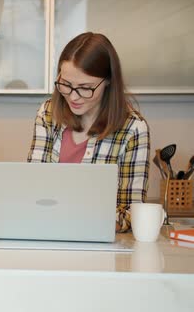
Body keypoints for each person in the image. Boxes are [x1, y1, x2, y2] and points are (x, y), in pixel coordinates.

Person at [27, 32, 150, 233]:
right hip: (47, 232)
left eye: (86, 88)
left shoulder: (133, 129)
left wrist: (88, 215)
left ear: (109, 80)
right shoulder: (47, 113)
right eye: (66, 84)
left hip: (99, 246)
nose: (73, 96)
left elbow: (131, 211)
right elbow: (33, 185)